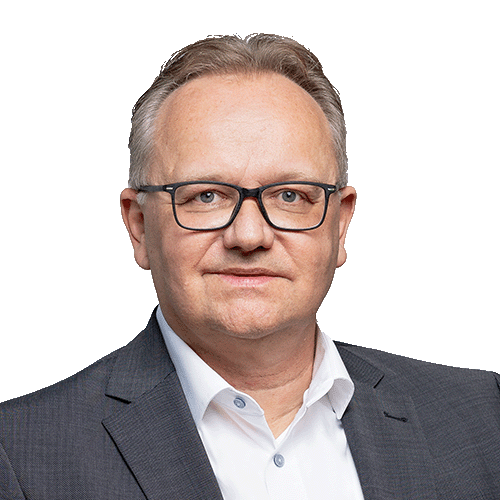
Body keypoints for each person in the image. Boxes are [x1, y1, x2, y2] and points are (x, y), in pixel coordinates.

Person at [0, 34, 499, 500]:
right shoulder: (20, 456)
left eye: (291, 196)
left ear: (340, 225)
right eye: (206, 196)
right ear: (139, 226)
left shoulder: (484, 418)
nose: (249, 236)